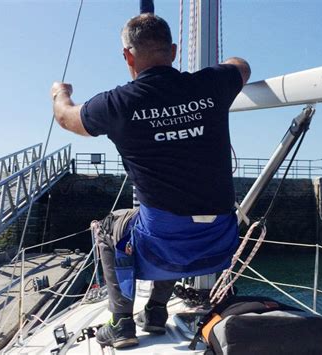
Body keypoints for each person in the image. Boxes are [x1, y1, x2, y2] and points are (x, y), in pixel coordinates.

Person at [51, 13, 250, 349]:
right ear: (173, 51)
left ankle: (121, 322)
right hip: (220, 241)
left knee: (107, 227)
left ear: (127, 55)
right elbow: (241, 65)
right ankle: (156, 312)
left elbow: (66, 118)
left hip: (164, 241)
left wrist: (60, 93)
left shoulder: (116, 104)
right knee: (168, 225)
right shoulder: (212, 85)